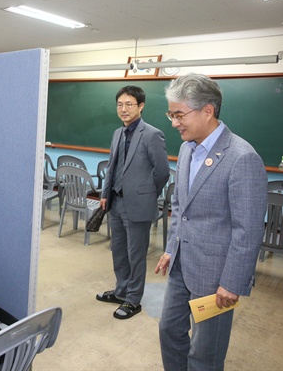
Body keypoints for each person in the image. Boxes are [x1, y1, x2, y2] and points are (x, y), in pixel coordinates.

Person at [155, 73, 267, 370]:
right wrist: (170, 248)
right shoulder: (186, 148)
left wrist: (233, 281)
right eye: (171, 114)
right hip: (182, 264)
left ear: (207, 111)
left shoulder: (242, 157)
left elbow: (249, 228)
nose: (174, 122)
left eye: (179, 114)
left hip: (215, 276)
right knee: (169, 330)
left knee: (205, 352)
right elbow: (181, 206)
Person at [96, 85, 170, 319]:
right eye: (120, 104)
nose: (123, 109)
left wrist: (146, 194)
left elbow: (162, 172)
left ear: (141, 106)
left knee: (135, 254)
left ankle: (133, 300)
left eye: (129, 104)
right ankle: (121, 291)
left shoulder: (151, 134)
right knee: (118, 251)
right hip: (115, 203)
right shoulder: (118, 133)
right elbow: (113, 167)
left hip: (138, 206)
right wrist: (105, 194)